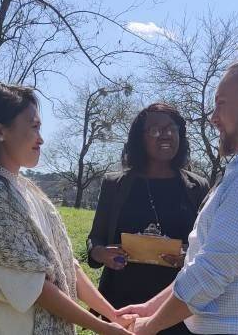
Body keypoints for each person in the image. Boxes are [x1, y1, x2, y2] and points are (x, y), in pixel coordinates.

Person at [120, 58, 238, 335]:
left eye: (221, 103)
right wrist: (151, 308)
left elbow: (212, 272)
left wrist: (150, 326)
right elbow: (203, 259)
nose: (213, 116)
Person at [0, 82, 134, 335]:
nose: (41, 139)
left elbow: (66, 265)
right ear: (0, 130)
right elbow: (35, 286)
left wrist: (112, 314)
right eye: (34, 127)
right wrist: (102, 327)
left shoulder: (27, 191)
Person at [86, 103, 210, 335]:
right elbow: (95, 239)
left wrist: (187, 254)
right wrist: (102, 253)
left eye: (172, 128)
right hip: (122, 303)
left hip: (176, 306)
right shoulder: (116, 184)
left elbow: (206, 247)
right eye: (155, 129)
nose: (166, 135)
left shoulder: (197, 187)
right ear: (139, 139)